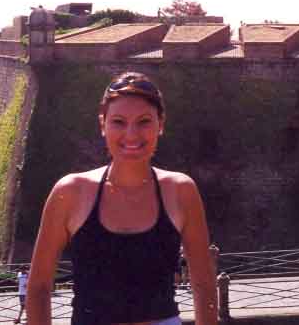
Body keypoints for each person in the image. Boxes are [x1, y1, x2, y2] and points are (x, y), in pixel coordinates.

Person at [27, 72, 216, 325]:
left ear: (160, 124)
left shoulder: (181, 190)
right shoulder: (70, 192)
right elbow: (39, 287)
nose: (131, 134)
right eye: (118, 122)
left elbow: (204, 285)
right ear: (102, 124)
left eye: (144, 121)